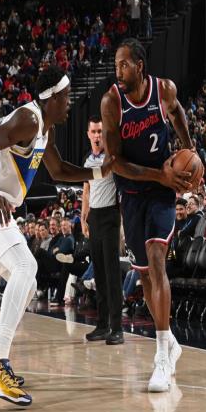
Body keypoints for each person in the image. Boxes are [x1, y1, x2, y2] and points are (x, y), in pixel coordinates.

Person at [0, 66, 112, 406]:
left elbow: (60, 170)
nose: (69, 103)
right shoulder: (28, 118)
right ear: (51, 99)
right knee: (26, 267)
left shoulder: (45, 129)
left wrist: (102, 172)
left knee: (27, 281)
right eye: (66, 97)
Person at [101, 38, 194, 392]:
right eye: (116, 65)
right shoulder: (112, 102)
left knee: (157, 260)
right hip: (132, 192)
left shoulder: (163, 89)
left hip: (161, 193)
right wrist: (159, 175)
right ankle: (169, 342)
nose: (118, 71)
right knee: (143, 276)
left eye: (124, 64)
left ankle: (161, 357)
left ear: (140, 66)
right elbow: (115, 162)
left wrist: (189, 148)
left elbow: (178, 113)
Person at [81, 116, 123, 345]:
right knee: (98, 273)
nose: (97, 135)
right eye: (94, 132)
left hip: (110, 215)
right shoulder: (87, 160)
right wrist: (83, 217)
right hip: (94, 217)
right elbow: (86, 191)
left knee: (112, 273)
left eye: (100, 131)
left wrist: (122, 223)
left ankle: (117, 328)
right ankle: (102, 324)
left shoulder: (112, 157)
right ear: (88, 134)